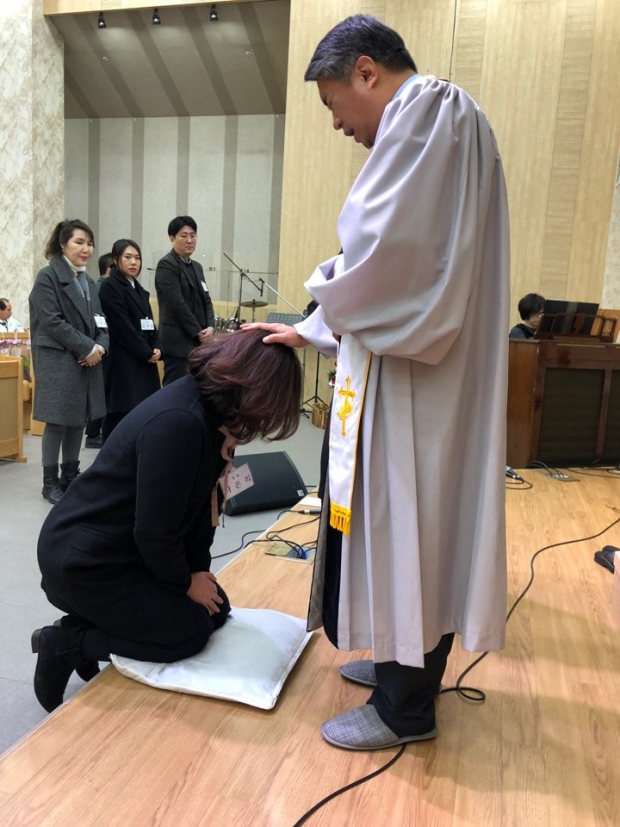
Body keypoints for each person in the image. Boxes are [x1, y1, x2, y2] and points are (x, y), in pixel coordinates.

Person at [245, 15, 510, 751]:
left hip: (424, 383)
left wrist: (321, 296)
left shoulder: (432, 110)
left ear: (367, 71)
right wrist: (311, 328)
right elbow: (397, 265)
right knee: (403, 524)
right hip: (415, 368)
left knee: (413, 522)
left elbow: (382, 252)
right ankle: (398, 660)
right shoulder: (441, 120)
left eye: (334, 104)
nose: (338, 125)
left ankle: (407, 707)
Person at [31, 329, 302, 713]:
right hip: (85, 561)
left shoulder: (213, 417)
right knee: (188, 633)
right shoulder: (180, 422)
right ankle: (66, 643)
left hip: (124, 549)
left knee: (216, 610)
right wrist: (184, 583)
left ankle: (92, 627)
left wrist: (197, 575)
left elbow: (198, 513)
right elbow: (155, 532)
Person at [29, 219, 109, 505]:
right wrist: (87, 348)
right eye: (79, 242)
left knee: (78, 420)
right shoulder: (48, 276)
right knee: (58, 421)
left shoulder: (89, 282)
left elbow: (101, 321)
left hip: (87, 359)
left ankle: (70, 476)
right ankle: (49, 482)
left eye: (90, 243)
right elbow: (52, 321)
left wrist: (100, 346)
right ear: (63, 244)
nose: (86, 249)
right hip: (59, 359)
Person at [98, 239, 161, 442]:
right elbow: (122, 327)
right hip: (123, 362)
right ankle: (111, 457)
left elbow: (150, 323)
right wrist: (147, 351)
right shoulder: (110, 287)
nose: (134, 262)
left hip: (144, 360)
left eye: (137, 258)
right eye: (128, 257)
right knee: (120, 415)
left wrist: (158, 346)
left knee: (144, 413)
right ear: (116, 259)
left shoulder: (138, 289)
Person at [155, 216, 215, 386]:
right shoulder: (166, 265)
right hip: (178, 343)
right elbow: (177, 304)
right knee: (174, 389)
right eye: (183, 236)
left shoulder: (197, 267)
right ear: (172, 239)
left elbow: (207, 300)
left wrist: (211, 327)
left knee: (197, 388)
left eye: (193, 235)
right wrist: (199, 332)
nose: (189, 240)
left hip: (200, 343)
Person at [84, 252, 114, 448]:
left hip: (102, 344)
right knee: (101, 390)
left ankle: (94, 431)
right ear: (110, 269)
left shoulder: (96, 285)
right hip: (101, 346)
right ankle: (93, 433)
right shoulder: (103, 288)